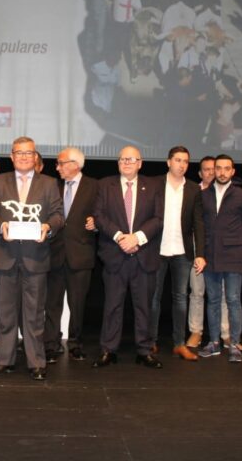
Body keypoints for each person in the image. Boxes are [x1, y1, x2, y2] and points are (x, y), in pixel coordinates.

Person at [0, 136, 63, 380]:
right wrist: (1, 227)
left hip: (35, 257)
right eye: (19, 153)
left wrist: (47, 227)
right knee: (6, 313)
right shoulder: (0, 181)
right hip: (5, 256)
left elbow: (58, 215)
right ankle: (5, 360)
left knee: (34, 314)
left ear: (35, 156)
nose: (24, 157)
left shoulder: (49, 183)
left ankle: (36, 362)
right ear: (11, 155)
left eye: (29, 153)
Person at [92, 146, 164, 369]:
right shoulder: (105, 185)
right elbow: (99, 216)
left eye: (131, 160)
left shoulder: (153, 186)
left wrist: (137, 238)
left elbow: (159, 218)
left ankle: (144, 350)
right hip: (115, 254)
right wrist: (120, 237)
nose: (126, 163)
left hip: (143, 255)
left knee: (143, 306)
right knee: (112, 305)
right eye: (123, 159)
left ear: (140, 163)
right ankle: (108, 349)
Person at [194, 154, 242, 363]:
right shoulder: (203, 195)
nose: (221, 172)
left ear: (232, 171)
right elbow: (199, 225)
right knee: (212, 300)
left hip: (233, 256)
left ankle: (235, 343)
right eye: (217, 168)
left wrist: (235, 242)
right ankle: (213, 343)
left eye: (226, 168)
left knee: (233, 300)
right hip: (210, 255)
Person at [44, 147, 98, 363]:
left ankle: (75, 343)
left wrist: (97, 223)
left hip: (81, 254)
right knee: (52, 302)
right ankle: (51, 344)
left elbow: (103, 212)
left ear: (75, 164)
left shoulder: (95, 186)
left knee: (78, 303)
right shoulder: (52, 185)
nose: (57, 167)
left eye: (60, 163)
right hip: (54, 253)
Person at [150, 146, 201, 361]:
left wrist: (201, 253)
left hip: (182, 251)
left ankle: (179, 343)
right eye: (178, 160)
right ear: (168, 162)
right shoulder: (154, 185)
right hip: (157, 249)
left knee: (180, 298)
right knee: (153, 298)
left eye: (186, 161)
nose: (182, 164)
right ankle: (150, 341)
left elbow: (199, 222)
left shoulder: (193, 189)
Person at [185, 156, 214, 349]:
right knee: (197, 291)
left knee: (222, 293)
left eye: (214, 169)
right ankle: (196, 331)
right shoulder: (193, 192)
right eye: (206, 169)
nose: (211, 173)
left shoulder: (227, 192)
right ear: (200, 173)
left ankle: (226, 333)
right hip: (197, 247)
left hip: (220, 248)